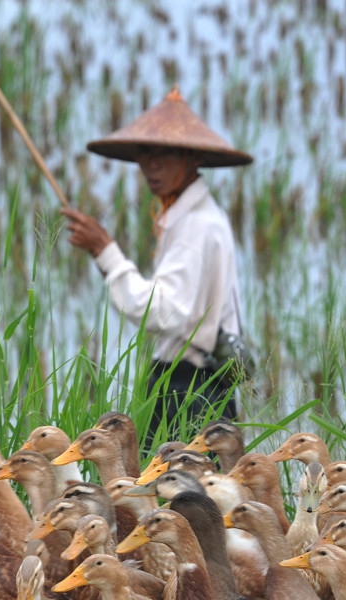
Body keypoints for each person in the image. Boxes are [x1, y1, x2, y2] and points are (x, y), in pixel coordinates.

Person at [61, 86, 252, 443]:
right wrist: (104, 256)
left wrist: (106, 250)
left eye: (165, 155)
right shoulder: (187, 216)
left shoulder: (198, 224)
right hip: (189, 384)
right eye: (145, 154)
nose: (152, 165)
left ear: (192, 159)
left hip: (192, 391)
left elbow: (163, 312)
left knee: (179, 497)